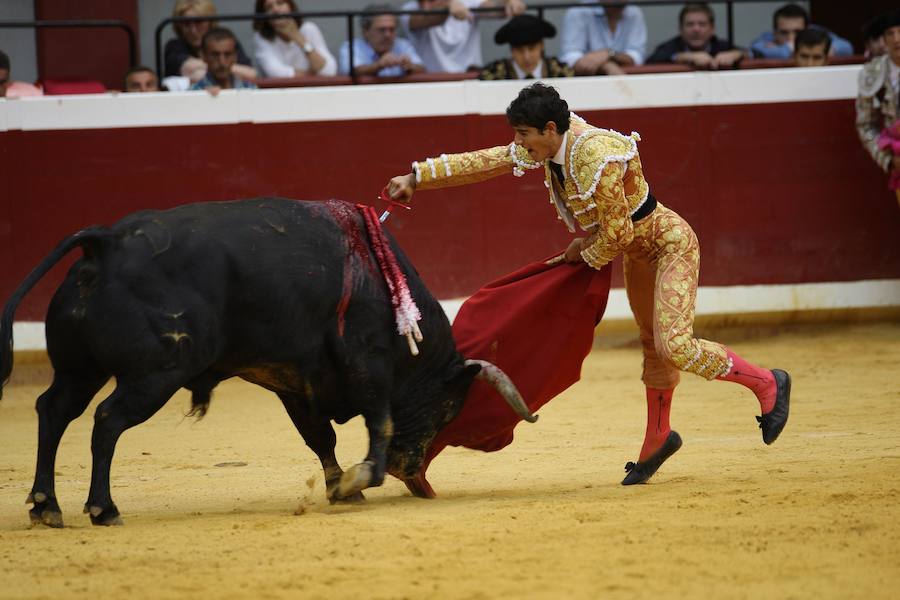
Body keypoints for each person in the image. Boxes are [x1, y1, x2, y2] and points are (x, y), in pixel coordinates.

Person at [384, 83, 791, 485]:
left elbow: (619, 235)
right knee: (653, 346)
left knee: (674, 345)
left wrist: (582, 255)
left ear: (548, 129)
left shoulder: (594, 154)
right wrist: (418, 177)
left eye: (523, 135)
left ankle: (767, 381)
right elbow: (488, 160)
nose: (517, 144)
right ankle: (659, 437)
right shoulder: (547, 144)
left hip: (670, 246)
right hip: (639, 255)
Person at [399, 0, 526, 74]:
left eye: (431, 0)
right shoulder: (408, 9)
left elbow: (495, 10)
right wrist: (448, 6)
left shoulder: (467, 2)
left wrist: (509, 3)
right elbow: (425, 19)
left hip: (469, 79)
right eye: (422, 1)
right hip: (432, 82)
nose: (426, 6)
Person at [857, 10, 900, 194]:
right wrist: (889, 159)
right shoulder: (872, 73)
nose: (897, 39)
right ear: (884, 39)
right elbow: (865, 125)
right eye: (890, 33)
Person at [164, 0, 256, 83]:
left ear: (210, 22)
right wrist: (229, 69)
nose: (193, 30)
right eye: (186, 24)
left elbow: (251, 74)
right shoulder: (174, 46)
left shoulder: (226, 42)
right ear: (178, 26)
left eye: (199, 22)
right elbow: (189, 69)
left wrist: (209, 70)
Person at [252, 0, 337, 77]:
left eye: (280, 3)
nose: (276, 10)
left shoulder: (308, 29)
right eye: (269, 7)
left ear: (291, 7)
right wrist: (314, 75)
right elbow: (276, 74)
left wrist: (299, 39)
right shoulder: (261, 38)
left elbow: (329, 71)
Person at [560, 1, 647, 76]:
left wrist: (609, 54)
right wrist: (606, 65)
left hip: (628, 80)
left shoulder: (634, 11)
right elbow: (570, 57)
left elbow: (637, 55)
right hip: (585, 83)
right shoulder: (578, 11)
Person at [646, 3, 743, 70]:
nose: (696, 29)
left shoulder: (721, 46)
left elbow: (752, 53)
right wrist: (685, 57)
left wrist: (737, 54)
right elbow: (651, 61)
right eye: (690, 24)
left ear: (712, 29)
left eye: (702, 24)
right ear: (680, 29)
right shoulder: (669, 47)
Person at [339, 4, 425, 77]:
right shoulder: (352, 47)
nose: (387, 35)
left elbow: (422, 70)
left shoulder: (402, 45)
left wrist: (410, 66)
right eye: (381, 30)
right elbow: (353, 73)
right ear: (365, 31)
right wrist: (379, 65)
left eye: (392, 29)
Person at [479, 14, 574, 80]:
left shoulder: (561, 73)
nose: (526, 57)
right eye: (520, 50)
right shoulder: (494, 76)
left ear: (542, 46)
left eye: (532, 48)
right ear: (512, 50)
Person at [749, 3, 852, 60]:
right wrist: (790, 49)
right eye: (784, 33)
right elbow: (754, 50)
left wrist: (781, 50)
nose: (791, 38)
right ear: (775, 32)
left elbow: (846, 47)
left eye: (798, 32)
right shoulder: (768, 37)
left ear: (808, 29)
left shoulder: (816, 32)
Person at [190, 28, 259, 92]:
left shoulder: (250, 89)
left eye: (227, 54)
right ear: (204, 56)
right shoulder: (193, 93)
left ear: (235, 56)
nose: (222, 62)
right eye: (215, 55)